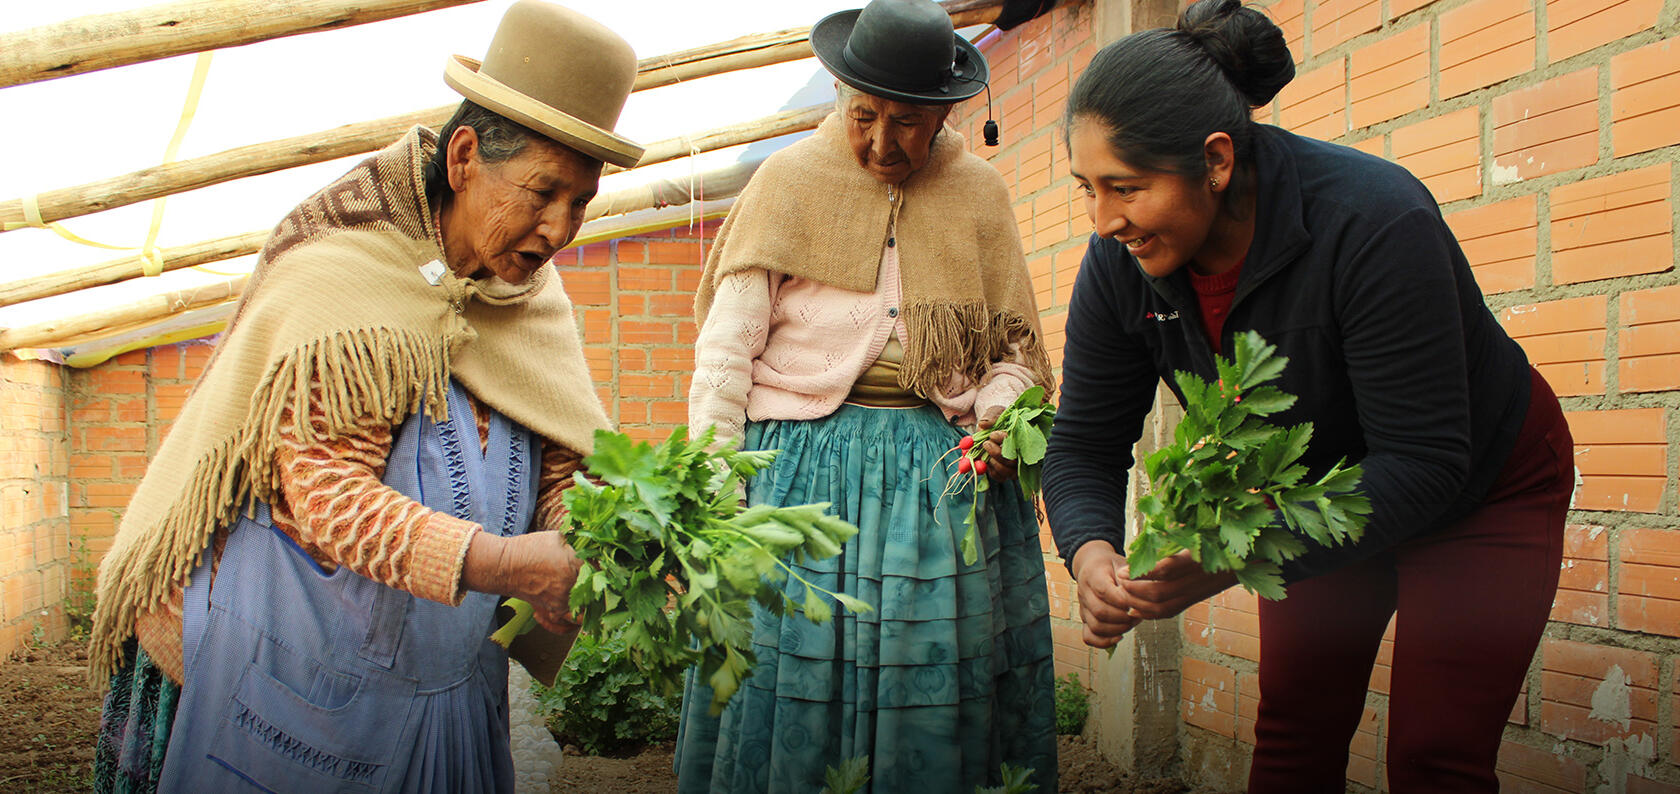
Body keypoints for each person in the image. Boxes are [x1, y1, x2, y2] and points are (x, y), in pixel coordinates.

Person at [86, 3, 645, 791]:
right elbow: (328, 499)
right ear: (463, 157)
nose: (559, 228)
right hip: (282, 669)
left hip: (435, 679)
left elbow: (560, 460)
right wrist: (513, 564)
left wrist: (576, 540)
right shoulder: (343, 276)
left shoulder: (531, 303)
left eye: (580, 201)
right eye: (542, 191)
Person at [1042, 1, 1572, 791]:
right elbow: (1083, 441)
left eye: (1126, 187)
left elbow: (1426, 462)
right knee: (1295, 724)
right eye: (1087, 188)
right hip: (1314, 492)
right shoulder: (1119, 266)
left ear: (1216, 161)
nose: (1104, 219)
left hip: (1479, 490)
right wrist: (1090, 551)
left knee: (1436, 755)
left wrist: (1228, 556)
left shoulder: (1372, 220)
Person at [675, 0, 1059, 791]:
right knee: (789, 676)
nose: (882, 141)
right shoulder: (786, 182)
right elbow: (725, 352)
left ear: (946, 113)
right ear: (842, 99)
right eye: (864, 115)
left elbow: (1019, 358)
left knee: (927, 681)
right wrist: (720, 486)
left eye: (909, 122)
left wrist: (994, 415)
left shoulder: (978, 194)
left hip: (938, 481)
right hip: (799, 480)